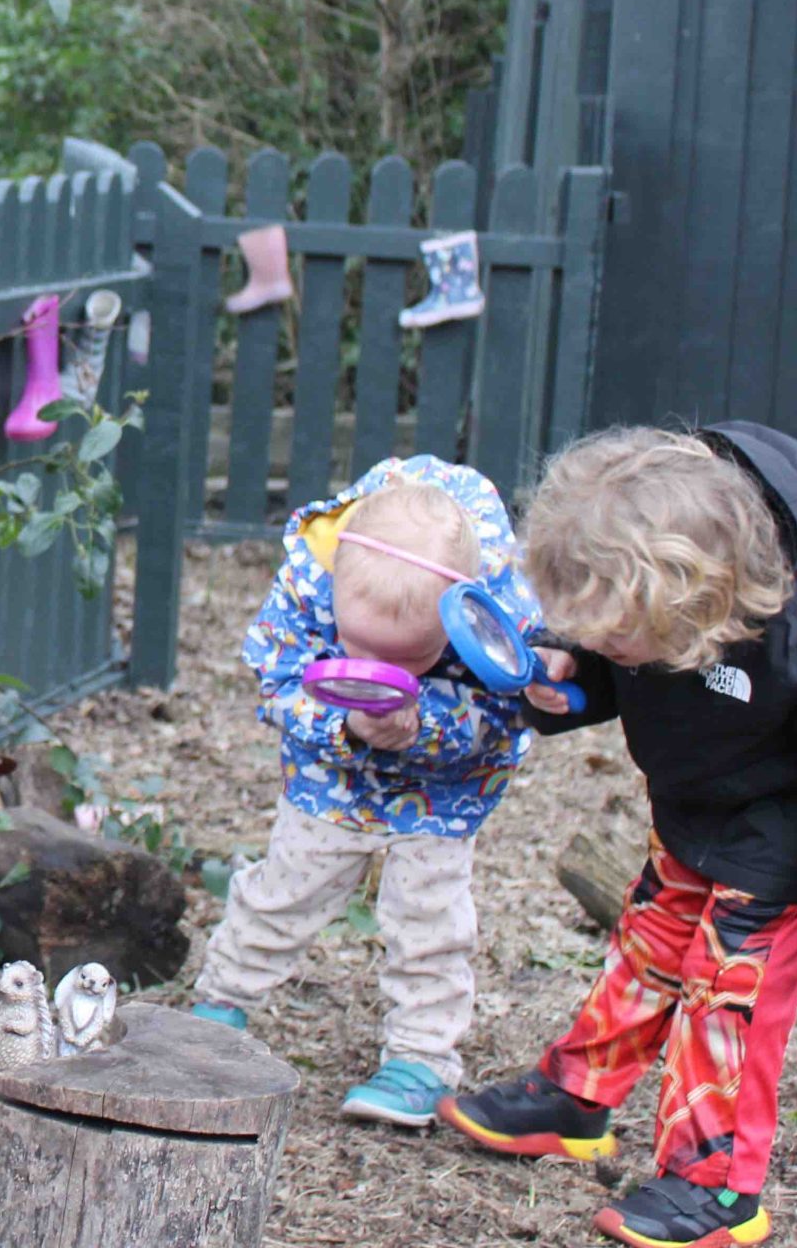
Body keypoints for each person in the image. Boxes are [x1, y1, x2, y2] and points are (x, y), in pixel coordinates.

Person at [439, 425, 797, 1248]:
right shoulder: (654, 572)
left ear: (696, 601)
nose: (599, 642)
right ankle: (577, 1099)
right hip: (689, 819)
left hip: (779, 859)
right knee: (643, 956)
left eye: (614, 637)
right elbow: (620, 655)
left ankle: (715, 1189)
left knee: (727, 1009)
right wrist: (572, 670)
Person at [192, 457, 542, 1125]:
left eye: (410, 659)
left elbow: (509, 712)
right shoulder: (308, 579)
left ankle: (421, 1057)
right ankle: (220, 1005)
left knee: (429, 917)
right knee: (284, 888)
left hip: (442, 794)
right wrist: (342, 723)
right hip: (333, 779)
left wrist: (426, 727)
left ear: (458, 616)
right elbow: (276, 679)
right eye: (359, 646)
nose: (380, 672)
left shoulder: (498, 614)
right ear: (337, 587)